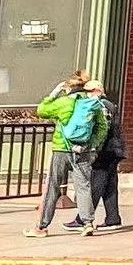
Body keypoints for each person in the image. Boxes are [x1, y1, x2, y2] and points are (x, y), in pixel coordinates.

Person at [25, 72, 105, 236]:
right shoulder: (92, 104)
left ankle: (41, 227)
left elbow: (41, 110)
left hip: (61, 148)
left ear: (68, 89)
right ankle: (87, 222)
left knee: (52, 187)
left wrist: (53, 94)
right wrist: (93, 145)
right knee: (83, 187)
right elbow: (102, 128)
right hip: (83, 149)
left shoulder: (63, 102)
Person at [85, 92, 125, 233]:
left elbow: (103, 130)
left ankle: (84, 218)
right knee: (109, 186)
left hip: (106, 150)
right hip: (114, 149)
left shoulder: (101, 106)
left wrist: (94, 148)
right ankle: (112, 218)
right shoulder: (108, 104)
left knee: (97, 184)